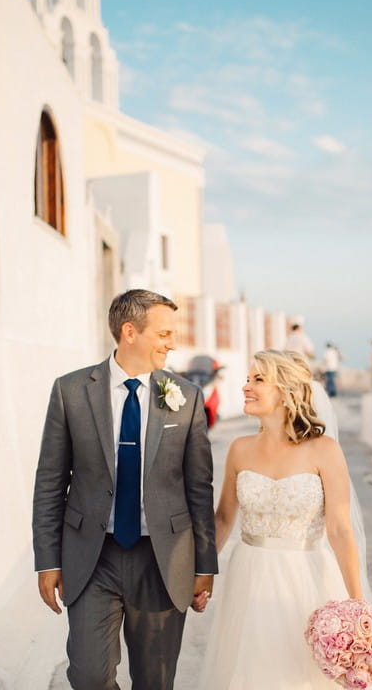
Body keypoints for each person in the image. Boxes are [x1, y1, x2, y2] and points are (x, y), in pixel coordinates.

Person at [199, 350, 372, 689]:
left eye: (258, 380)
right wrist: (204, 573)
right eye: (248, 379)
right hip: (248, 574)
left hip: (307, 576)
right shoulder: (239, 448)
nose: (246, 387)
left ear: (287, 390)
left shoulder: (324, 450)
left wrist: (358, 605)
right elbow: (223, 518)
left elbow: (339, 529)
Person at [33, 289, 218, 690]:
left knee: (155, 680)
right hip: (92, 556)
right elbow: (50, 481)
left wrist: (204, 565)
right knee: (88, 675)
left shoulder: (186, 397)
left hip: (162, 558)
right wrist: (47, 560)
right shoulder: (71, 390)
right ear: (130, 332)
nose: (173, 342)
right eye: (164, 333)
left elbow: (199, 488)